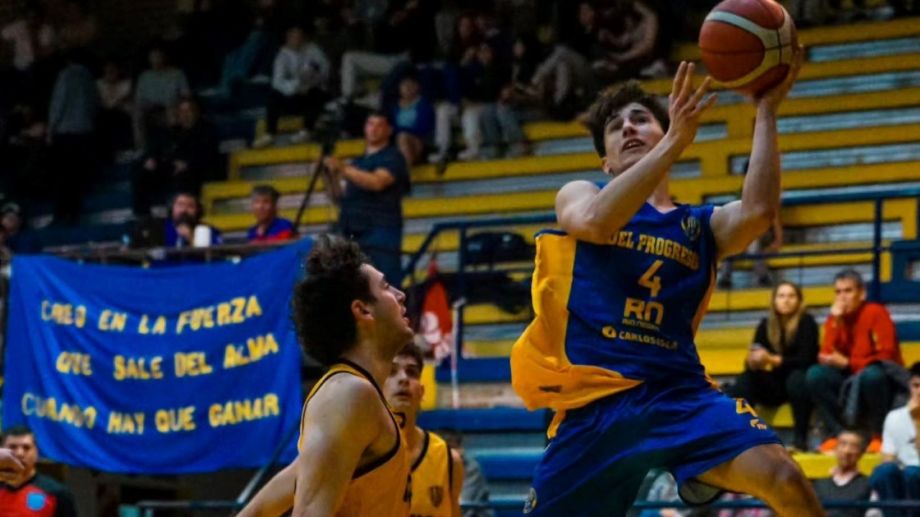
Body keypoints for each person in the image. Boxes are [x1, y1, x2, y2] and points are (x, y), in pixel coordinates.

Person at [509, 47, 822, 515]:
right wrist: (673, 142)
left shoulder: (700, 225)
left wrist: (766, 109)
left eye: (640, 119)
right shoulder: (580, 193)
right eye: (616, 127)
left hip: (679, 394)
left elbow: (758, 211)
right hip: (596, 403)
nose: (629, 128)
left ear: (664, 130)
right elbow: (594, 222)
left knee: (785, 477)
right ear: (606, 162)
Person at [237, 235, 414, 516]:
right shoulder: (348, 392)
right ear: (362, 310)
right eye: (385, 286)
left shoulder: (356, 398)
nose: (400, 294)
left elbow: (257, 511)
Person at [806, 269, 902, 450]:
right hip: (848, 375)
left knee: (872, 376)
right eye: (838, 292)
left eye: (848, 291)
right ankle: (837, 434)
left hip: (882, 377)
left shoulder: (876, 312)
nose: (842, 297)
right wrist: (835, 321)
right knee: (815, 375)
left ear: (862, 293)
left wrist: (849, 363)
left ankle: (879, 435)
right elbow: (825, 354)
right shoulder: (835, 317)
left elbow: (886, 357)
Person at [725, 281, 818, 451]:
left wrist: (772, 359)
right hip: (775, 385)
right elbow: (754, 354)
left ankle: (800, 439)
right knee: (746, 378)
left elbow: (806, 359)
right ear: (774, 301)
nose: (786, 300)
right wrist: (753, 361)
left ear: (799, 300)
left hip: (800, 386)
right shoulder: (766, 324)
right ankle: (740, 436)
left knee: (796, 379)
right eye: (781, 296)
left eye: (791, 296)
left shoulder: (807, 322)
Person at [324, 112, 410, 285]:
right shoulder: (358, 162)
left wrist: (342, 168)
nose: (374, 129)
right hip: (352, 229)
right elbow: (339, 197)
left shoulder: (393, 157)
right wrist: (329, 175)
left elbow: (377, 182)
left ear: (389, 130)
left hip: (380, 230)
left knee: (384, 284)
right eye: (370, 124)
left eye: (379, 125)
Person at [386, 342, 464, 517]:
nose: (403, 379)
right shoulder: (359, 456)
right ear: (375, 386)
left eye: (411, 372)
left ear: (421, 392)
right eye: (392, 371)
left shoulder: (448, 460)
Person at [132, 97, 219, 216]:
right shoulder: (173, 131)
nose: (185, 114)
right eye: (182, 111)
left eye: (188, 110)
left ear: (196, 112)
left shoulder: (207, 130)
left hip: (197, 170)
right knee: (140, 171)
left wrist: (188, 164)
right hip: (172, 167)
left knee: (182, 177)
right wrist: (150, 159)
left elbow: (209, 155)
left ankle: (178, 213)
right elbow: (157, 149)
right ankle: (142, 214)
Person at [252, 25, 330, 149]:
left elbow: (325, 70)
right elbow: (277, 82)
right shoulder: (282, 55)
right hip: (292, 95)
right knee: (273, 96)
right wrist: (297, 86)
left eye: (299, 36)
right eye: (293, 37)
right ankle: (270, 133)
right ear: (288, 38)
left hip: (311, 91)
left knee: (317, 93)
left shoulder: (312, 49)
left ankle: (306, 131)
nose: (297, 40)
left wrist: (311, 82)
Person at [47, 49, 99, 224]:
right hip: (84, 131)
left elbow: (59, 103)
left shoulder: (65, 75)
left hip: (66, 131)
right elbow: (94, 103)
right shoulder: (88, 77)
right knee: (76, 176)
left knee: (63, 176)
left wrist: (51, 128)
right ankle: (73, 213)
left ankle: (61, 214)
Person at [869, 362, 920, 515]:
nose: (919, 391)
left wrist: (917, 421)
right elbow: (888, 458)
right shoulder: (894, 417)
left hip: (915, 475)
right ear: (910, 386)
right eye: (916, 386)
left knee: (912, 473)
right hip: (905, 480)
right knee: (884, 472)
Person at [0, 426, 78, 517]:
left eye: (26, 448)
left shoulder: (57, 493)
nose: (19, 453)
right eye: (12, 447)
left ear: (36, 452)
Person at [133, 45, 190, 150]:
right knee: (137, 113)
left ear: (164, 57)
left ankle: (176, 146)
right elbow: (139, 98)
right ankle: (142, 149)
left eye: (158, 56)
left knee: (173, 113)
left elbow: (186, 95)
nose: (155, 60)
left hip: (172, 106)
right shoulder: (144, 76)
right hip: (150, 108)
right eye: (152, 57)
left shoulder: (177, 74)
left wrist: (177, 103)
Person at [813, 429, 875, 517]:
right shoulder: (819, 484)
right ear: (835, 449)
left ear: (861, 453)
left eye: (853, 447)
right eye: (843, 444)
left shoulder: (869, 485)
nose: (846, 451)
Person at [392, 74, 435, 166]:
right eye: (404, 85)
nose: (407, 88)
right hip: (399, 142)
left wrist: (404, 131)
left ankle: (405, 169)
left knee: (403, 137)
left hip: (418, 141)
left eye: (410, 85)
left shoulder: (423, 104)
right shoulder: (395, 107)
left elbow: (424, 128)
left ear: (416, 87)